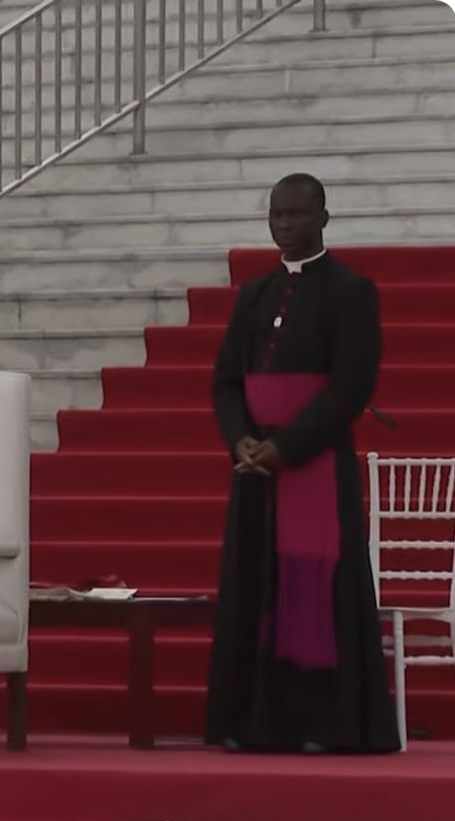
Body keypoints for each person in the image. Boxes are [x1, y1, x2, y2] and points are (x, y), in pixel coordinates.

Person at [204, 174, 399, 754]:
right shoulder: (254, 295)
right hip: (254, 471)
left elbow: (349, 389)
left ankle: (322, 724)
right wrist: (240, 440)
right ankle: (252, 722)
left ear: (322, 218)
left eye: (295, 214)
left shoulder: (352, 292)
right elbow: (226, 384)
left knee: (313, 594)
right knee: (255, 590)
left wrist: (286, 448)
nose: (283, 224)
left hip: (312, 467)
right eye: (276, 215)